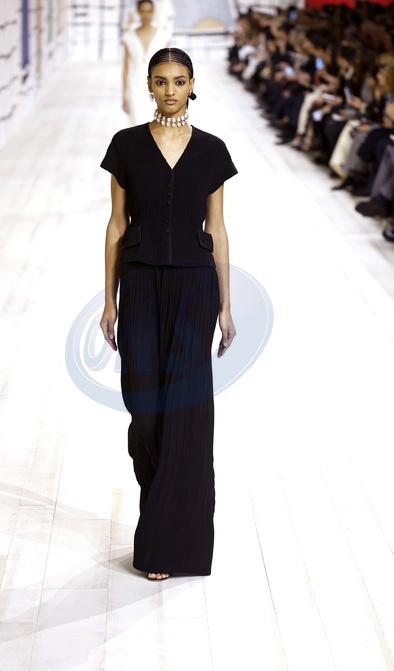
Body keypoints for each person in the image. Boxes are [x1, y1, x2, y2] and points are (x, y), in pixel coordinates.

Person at [100, 47, 238, 581]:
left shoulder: (212, 150)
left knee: (185, 410)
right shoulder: (126, 145)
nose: (170, 90)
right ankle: (162, 513)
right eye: (160, 81)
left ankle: (170, 542)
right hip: (139, 283)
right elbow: (116, 225)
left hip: (195, 288)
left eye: (179, 81)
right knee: (145, 408)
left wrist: (226, 304)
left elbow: (217, 228)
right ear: (149, 86)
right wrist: (108, 299)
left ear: (192, 84)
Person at [122, 0, 169, 125]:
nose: (146, 15)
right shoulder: (129, 37)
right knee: (136, 125)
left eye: (149, 11)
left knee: (156, 126)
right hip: (134, 87)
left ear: (153, 12)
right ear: (138, 13)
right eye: (143, 11)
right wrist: (124, 95)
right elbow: (126, 68)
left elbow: (168, 66)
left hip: (157, 87)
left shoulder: (162, 36)